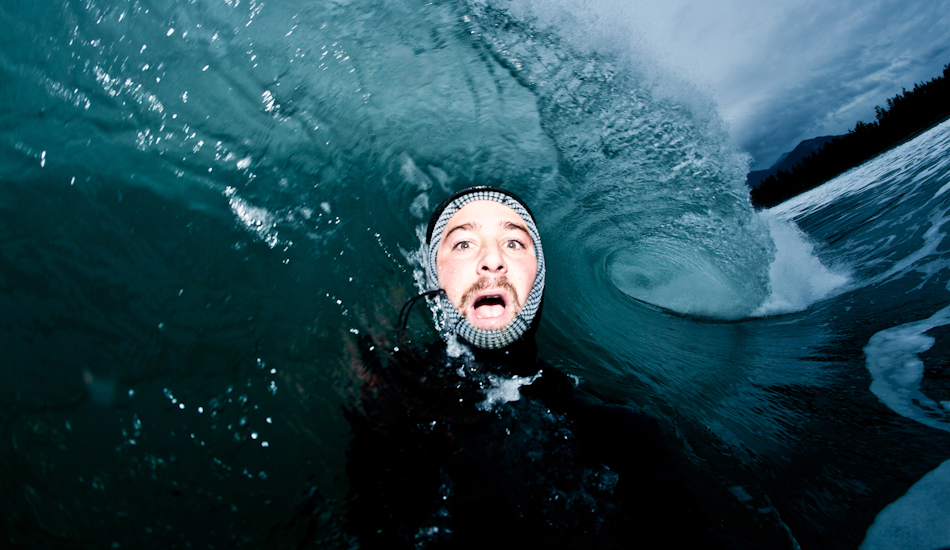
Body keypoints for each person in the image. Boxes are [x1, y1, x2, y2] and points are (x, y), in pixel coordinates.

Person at [345, 186, 762, 549]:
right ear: (433, 275)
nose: (492, 261)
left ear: (539, 275)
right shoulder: (393, 397)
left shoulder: (624, 433)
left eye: (513, 243)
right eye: (463, 243)